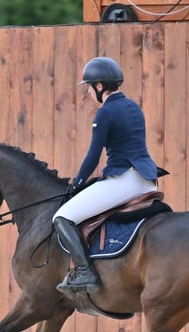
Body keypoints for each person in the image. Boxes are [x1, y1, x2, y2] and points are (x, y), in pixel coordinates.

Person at [53, 56, 160, 295]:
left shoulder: (105, 113)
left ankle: (84, 271)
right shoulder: (133, 106)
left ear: (99, 86)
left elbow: (93, 157)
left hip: (124, 180)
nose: (89, 93)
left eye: (90, 87)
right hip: (147, 180)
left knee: (62, 217)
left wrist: (76, 184)